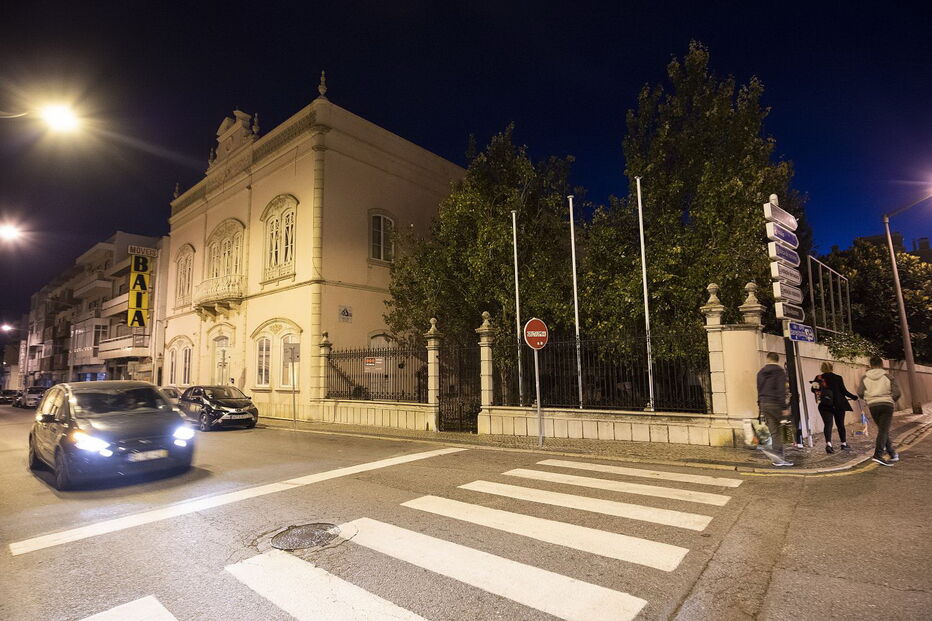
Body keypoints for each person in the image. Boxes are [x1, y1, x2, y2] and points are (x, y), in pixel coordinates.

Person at [857, 357, 902, 466]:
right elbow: (897, 393)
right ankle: (878, 455)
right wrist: (891, 399)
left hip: (873, 406)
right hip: (887, 405)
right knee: (883, 430)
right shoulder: (888, 376)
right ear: (882, 364)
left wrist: (869, 398)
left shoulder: (864, 378)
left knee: (883, 430)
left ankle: (892, 453)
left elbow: (860, 393)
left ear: (870, 365)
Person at [810, 362, 859, 453]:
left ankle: (829, 444)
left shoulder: (818, 378)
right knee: (840, 424)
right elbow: (844, 391)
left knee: (828, 424)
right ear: (832, 368)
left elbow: (813, 390)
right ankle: (843, 444)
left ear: (822, 368)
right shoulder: (838, 378)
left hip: (825, 405)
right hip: (838, 405)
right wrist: (854, 397)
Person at [757, 352, 793, 466]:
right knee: (785, 428)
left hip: (764, 404)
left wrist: (760, 405)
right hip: (776, 404)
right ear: (777, 360)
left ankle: (778, 459)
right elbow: (781, 390)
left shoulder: (760, 372)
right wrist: (784, 407)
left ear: (767, 359)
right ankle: (780, 457)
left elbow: (759, 389)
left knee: (774, 432)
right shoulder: (780, 372)